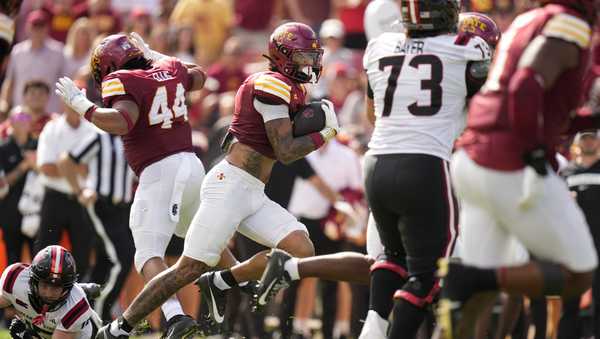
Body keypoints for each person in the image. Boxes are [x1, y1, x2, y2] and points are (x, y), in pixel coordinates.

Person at [257, 11, 501, 338]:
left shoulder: (381, 45)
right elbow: (490, 110)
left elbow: (374, 113)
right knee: (435, 275)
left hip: (379, 164)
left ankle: (302, 275)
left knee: (386, 266)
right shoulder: (466, 49)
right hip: (430, 168)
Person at [92, 22, 339, 338]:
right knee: (187, 268)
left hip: (253, 191)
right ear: (283, 56)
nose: (311, 64)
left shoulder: (290, 88)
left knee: (302, 249)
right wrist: (326, 132)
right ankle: (118, 327)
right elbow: (286, 150)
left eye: (313, 57)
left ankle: (221, 281)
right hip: (229, 186)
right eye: (304, 57)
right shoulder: (270, 83)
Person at [437, 1, 600, 338]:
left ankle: (466, 284)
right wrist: (534, 152)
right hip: (509, 163)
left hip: (475, 158)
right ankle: (466, 278)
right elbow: (526, 85)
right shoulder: (568, 24)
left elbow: (543, 111)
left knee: (481, 293)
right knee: (578, 271)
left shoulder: (529, 20)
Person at [54, 33, 211, 338]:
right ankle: (233, 281)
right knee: (203, 239)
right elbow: (199, 76)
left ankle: (175, 317)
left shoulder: (123, 79)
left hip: (159, 169)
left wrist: (82, 105)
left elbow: (123, 120)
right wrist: (156, 54)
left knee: (147, 255)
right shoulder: (169, 67)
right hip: (192, 164)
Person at [57, 128, 136, 323]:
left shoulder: (132, 138)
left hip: (123, 208)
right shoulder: (99, 137)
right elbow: (65, 160)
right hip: (101, 205)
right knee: (123, 258)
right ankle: (102, 312)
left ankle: (79, 312)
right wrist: (80, 191)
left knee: (104, 262)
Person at [0, 245, 102, 339]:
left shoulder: (75, 305)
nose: (48, 293)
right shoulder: (15, 278)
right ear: (33, 280)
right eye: (44, 285)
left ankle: (82, 291)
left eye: (56, 288)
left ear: (67, 288)